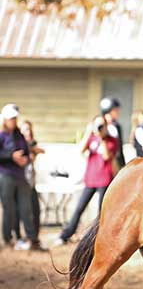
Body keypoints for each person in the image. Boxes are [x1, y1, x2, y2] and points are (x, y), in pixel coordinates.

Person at [54, 115, 118, 246]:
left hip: (105, 179)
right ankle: (66, 234)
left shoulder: (112, 140)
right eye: (97, 125)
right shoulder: (91, 138)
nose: (99, 128)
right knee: (79, 208)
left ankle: (99, 238)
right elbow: (80, 150)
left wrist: (102, 138)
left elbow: (107, 156)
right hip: (90, 179)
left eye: (102, 125)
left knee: (102, 211)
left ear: (106, 126)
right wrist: (89, 132)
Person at [0, 104, 45, 251]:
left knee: (26, 208)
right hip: (6, 175)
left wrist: (25, 159)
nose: (13, 121)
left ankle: (32, 239)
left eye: (15, 118)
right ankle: (7, 239)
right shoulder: (1, 135)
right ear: (5, 119)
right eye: (11, 118)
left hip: (21, 176)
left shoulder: (19, 135)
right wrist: (11, 156)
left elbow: (26, 151)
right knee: (9, 209)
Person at [13, 120, 45, 244]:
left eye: (29, 130)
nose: (28, 132)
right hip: (19, 182)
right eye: (25, 129)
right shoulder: (17, 144)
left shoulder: (31, 144)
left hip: (30, 183)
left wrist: (32, 149)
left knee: (35, 210)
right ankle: (19, 237)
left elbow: (41, 150)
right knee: (18, 212)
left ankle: (34, 238)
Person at [100, 97, 125, 169]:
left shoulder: (117, 126)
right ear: (108, 111)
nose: (118, 112)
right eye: (115, 110)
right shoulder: (100, 125)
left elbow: (119, 148)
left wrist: (122, 164)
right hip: (103, 163)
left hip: (116, 162)